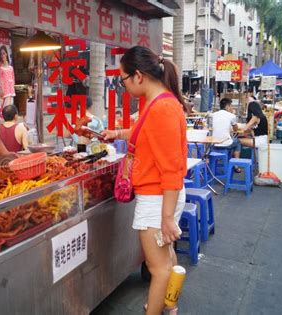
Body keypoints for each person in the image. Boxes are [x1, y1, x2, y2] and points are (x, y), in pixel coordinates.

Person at [101, 46, 187, 314]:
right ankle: (169, 305)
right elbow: (142, 133)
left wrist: (167, 216)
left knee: (158, 269)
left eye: (123, 79)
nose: (123, 85)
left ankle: (160, 306)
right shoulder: (158, 102)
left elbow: (171, 170)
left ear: (138, 76)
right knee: (166, 258)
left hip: (158, 199)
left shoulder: (162, 108)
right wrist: (115, 133)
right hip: (161, 198)